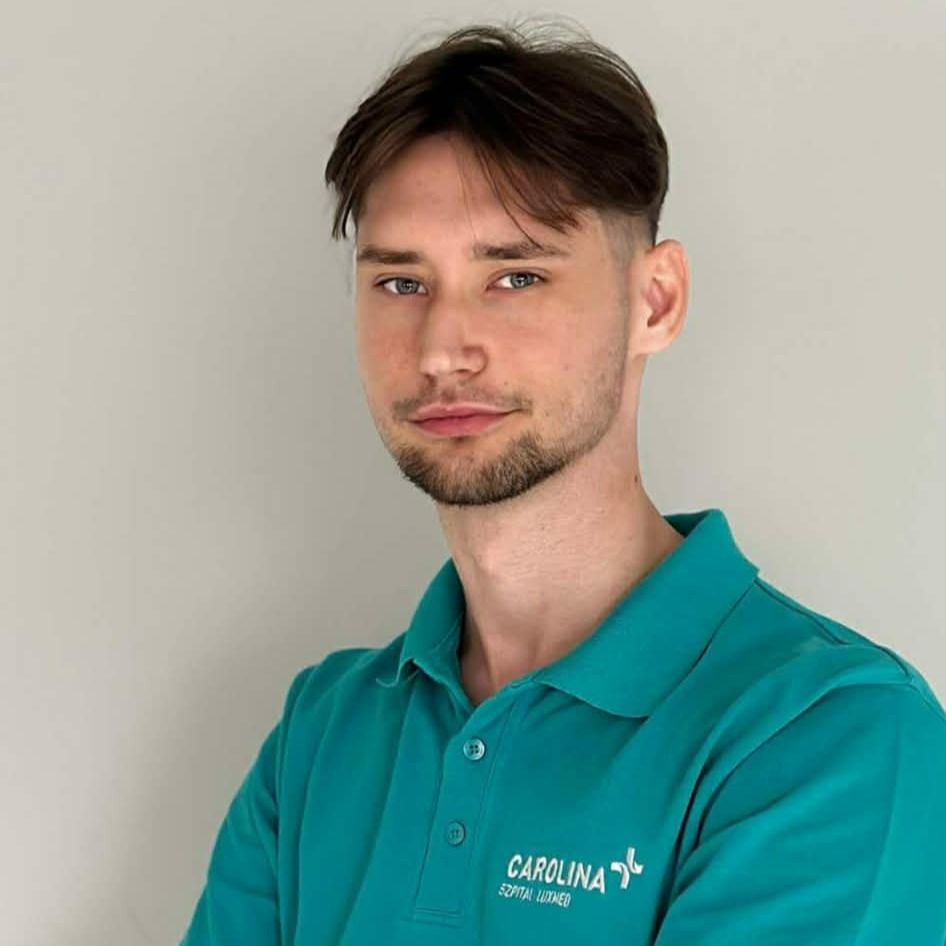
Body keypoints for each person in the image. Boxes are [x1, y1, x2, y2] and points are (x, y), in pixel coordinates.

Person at [180, 17, 946, 945]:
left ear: (654, 301)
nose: (442, 349)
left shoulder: (829, 733)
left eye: (516, 277)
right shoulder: (320, 736)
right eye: (400, 283)